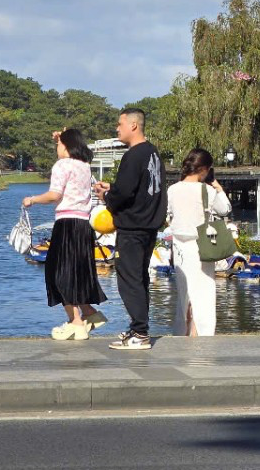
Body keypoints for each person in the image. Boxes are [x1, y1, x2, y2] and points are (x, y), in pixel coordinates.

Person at [23, 129, 108, 340]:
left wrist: (31, 200)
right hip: (83, 225)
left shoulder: (62, 165)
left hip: (66, 224)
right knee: (77, 272)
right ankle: (89, 312)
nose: (56, 150)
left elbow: (55, 195)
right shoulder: (85, 167)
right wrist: (61, 136)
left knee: (57, 273)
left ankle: (75, 321)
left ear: (67, 147)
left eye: (58, 146)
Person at [93, 108, 166, 350]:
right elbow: (139, 188)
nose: (117, 128)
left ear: (133, 125)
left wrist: (107, 195)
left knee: (129, 279)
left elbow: (124, 193)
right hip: (149, 225)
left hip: (133, 226)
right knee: (140, 277)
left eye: (120, 124)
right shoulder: (153, 152)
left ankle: (141, 333)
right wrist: (113, 186)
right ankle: (138, 329)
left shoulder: (134, 154)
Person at [166, 148, 231, 337]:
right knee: (204, 292)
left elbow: (169, 215)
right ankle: (201, 332)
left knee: (184, 293)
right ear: (204, 169)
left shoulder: (172, 189)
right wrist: (218, 187)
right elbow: (225, 209)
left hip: (179, 246)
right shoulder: (208, 191)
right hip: (201, 246)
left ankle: (182, 330)